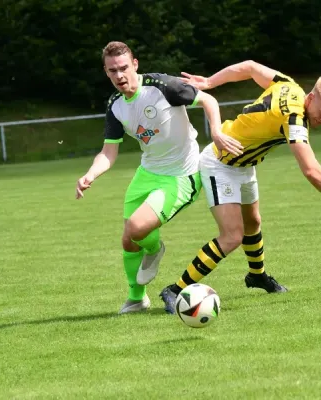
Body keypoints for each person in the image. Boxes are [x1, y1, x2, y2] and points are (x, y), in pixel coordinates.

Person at [157, 60, 321, 314]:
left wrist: (211, 82)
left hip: (245, 164)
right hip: (220, 163)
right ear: (311, 98)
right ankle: (175, 289)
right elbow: (311, 169)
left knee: (253, 222)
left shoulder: (290, 85)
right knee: (232, 236)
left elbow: (250, 67)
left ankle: (257, 276)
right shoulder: (294, 119)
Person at [75, 41, 243, 314]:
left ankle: (155, 250)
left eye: (123, 68)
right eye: (112, 70)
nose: (119, 75)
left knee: (137, 229)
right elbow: (108, 152)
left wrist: (216, 132)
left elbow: (208, 100)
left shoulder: (162, 87)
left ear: (135, 65)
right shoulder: (115, 105)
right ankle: (137, 298)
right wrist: (90, 175)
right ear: (106, 72)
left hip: (181, 175)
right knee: (128, 239)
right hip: (147, 172)